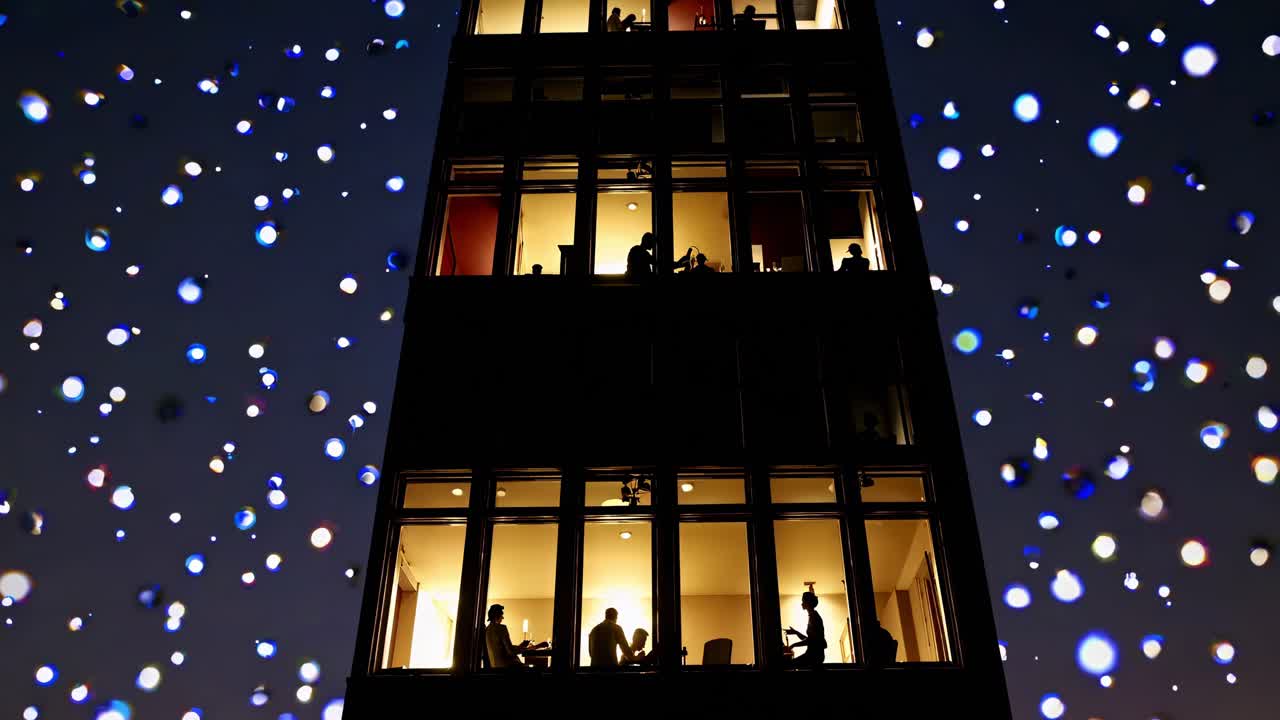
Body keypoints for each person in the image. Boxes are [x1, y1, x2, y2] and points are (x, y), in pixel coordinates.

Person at [784, 591, 827, 667]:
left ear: (808, 603)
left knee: (788, 665)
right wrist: (796, 632)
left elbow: (811, 640)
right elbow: (810, 639)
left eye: (803, 601)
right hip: (812, 655)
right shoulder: (812, 616)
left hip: (814, 657)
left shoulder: (814, 617)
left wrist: (793, 645)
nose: (802, 604)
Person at [625, 232, 691, 279]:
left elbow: (660, 264)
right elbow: (660, 264)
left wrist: (679, 263)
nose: (653, 245)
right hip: (639, 281)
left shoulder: (637, 250)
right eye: (652, 242)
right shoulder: (640, 252)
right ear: (647, 241)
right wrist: (679, 263)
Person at [484, 604, 529, 669]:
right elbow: (510, 651)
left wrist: (520, 646)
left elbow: (502, 648)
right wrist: (528, 648)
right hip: (508, 667)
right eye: (501, 615)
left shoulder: (487, 630)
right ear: (497, 616)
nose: (503, 618)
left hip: (495, 667)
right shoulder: (501, 628)